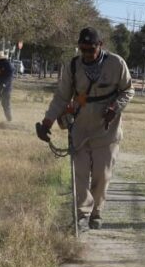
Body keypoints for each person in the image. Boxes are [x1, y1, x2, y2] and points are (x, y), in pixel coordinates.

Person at [37, 27, 135, 230]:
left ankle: (96, 212)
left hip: (107, 131)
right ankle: (82, 214)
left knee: (102, 176)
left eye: (91, 49)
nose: (87, 54)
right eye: (83, 49)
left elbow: (128, 90)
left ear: (100, 45)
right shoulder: (73, 66)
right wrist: (47, 122)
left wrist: (115, 108)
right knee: (80, 175)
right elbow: (62, 97)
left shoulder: (116, 63)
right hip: (80, 129)